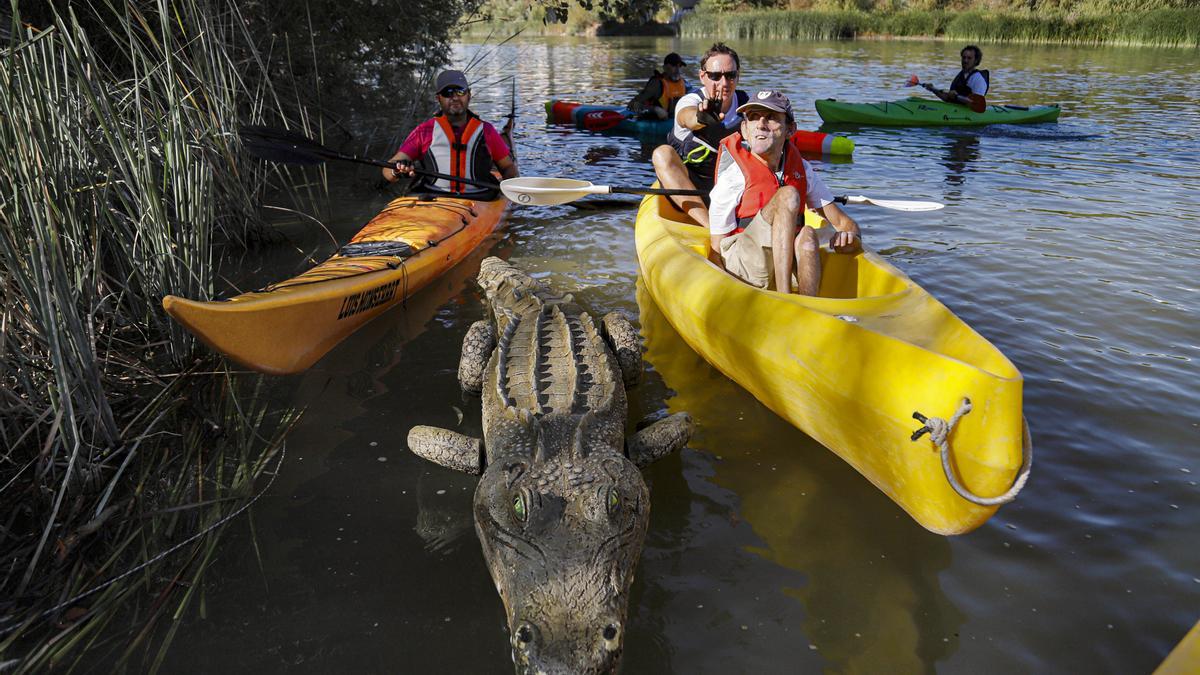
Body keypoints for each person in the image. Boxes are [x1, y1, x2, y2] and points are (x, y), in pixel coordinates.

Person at [708, 91, 862, 296]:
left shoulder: (802, 169)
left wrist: (849, 238)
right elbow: (716, 248)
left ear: (790, 129)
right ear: (744, 129)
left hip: (785, 264)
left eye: (771, 117)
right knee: (788, 195)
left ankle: (808, 306)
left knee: (807, 234)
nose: (761, 124)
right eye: (753, 117)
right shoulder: (733, 177)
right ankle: (785, 298)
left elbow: (845, 224)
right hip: (745, 266)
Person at [650, 42, 750, 230]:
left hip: (731, 193)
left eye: (730, 75)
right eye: (715, 76)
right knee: (662, 153)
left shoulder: (748, 106)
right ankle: (710, 227)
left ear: (738, 76)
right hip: (690, 189)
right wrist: (701, 118)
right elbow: (686, 117)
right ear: (702, 76)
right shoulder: (690, 101)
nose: (724, 83)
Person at [383, 69, 518, 197]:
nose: (454, 97)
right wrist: (397, 170)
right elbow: (387, 170)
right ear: (439, 98)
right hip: (434, 198)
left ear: (469, 95)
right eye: (447, 93)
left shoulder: (487, 131)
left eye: (460, 92)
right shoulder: (423, 132)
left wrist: (512, 191)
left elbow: (507, 167)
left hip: (480, 197)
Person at [627, 52, 689, 121]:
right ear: (665, 68)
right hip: (656, 122)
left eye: (679, 66)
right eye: (674, 66)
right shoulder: (656, 84)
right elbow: (632, 105)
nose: (678, 70)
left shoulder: (684, 83)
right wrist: (654, 109)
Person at [934, 45, 988, 113]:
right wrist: (933, 89)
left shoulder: (978, 79)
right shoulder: (960, 76)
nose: (965, 60)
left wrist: (956, 96)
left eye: (969, 58)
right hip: (955, 110)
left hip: (970, 113)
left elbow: (977, 105)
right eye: (964, 57)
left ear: (976, 61)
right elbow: (948, 99)